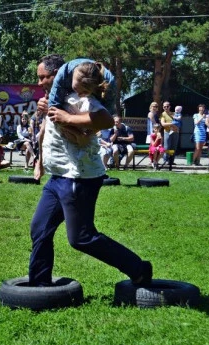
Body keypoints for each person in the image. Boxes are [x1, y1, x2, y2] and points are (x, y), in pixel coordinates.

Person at [28, 57, 152, 288]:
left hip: (78, 176)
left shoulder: (81, 99)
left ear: (58, 75)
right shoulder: (56, 98)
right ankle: (39, 285)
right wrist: (40, 161)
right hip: (58, 177)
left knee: (81, 238)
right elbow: (46, 131)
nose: (40, 82)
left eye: (44, 77)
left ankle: (138, 268)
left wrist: (65, 118)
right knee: (40, 228)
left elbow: (102, 123)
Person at [160, 101, 178, 165]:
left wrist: (176, 126)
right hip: (167, 132)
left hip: (175, 132)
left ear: (170, 106)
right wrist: (172, 124)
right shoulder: (163, 114)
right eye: (164, 106)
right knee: (167, 147)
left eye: (167, 106)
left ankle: (171, 161)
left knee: (174, 147)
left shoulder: (174, 114)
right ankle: (166, 160)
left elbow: (179, 122)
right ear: (163, 107)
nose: (166, 108)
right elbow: (163, 124)